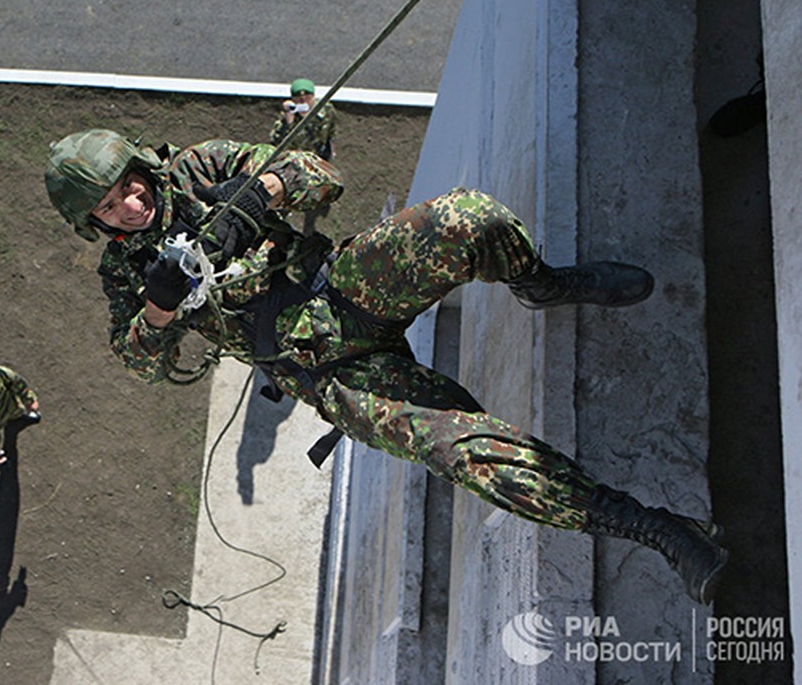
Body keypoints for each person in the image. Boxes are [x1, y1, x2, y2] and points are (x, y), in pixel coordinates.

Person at [44, 128, 728, 604]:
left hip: (341, 284)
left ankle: (539, 281)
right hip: (323, 367)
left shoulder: (199, 170)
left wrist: (258, 198)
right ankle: (658, 529)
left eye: (128, 188)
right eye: (109, 209)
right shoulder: (124, 273)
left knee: (467, 218)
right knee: (468, 455)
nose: (130, 208)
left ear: (141, 168)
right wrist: (160, 307)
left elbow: (322, 175)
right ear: (95, 224)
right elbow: (139, 362)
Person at [269, 78, 337, 161]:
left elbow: (332, 131)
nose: (304, 102)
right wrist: (289, 122)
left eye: (308, 98)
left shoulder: (326, 111)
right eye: (299, 99)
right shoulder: (287, 116)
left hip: (319, 159)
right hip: (295, 161)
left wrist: (331, 150)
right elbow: (277, 144)